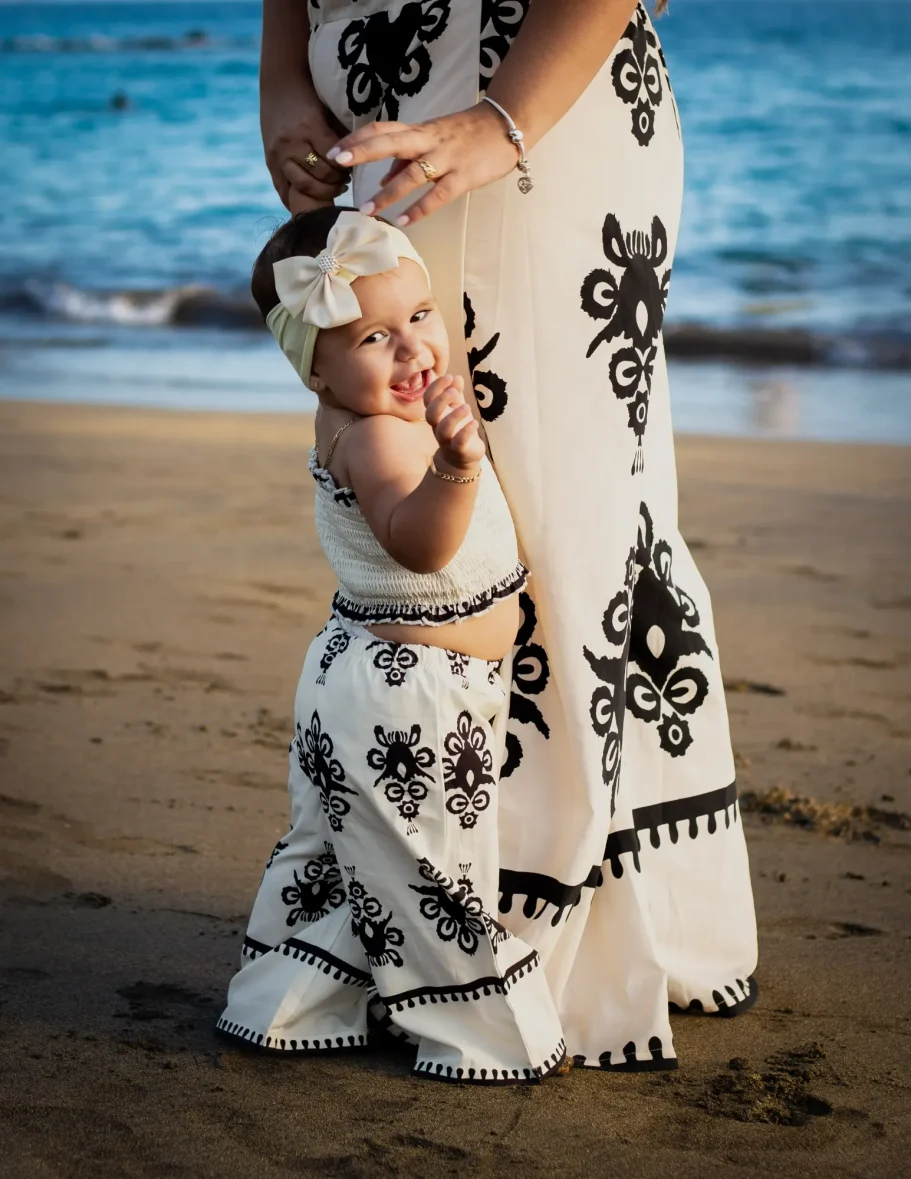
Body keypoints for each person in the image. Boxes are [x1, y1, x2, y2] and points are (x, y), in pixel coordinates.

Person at [253, 0, 758, 1071]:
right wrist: (282, 69)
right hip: (372, 108)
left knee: (559, 511)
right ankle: (418, 928)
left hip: (536, 100)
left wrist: (506, 116)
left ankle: (530, 941)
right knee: (412, 459)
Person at [218, 208, 568, 1084]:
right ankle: (486, 1035)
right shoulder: (374, 435)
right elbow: (418, 542)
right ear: (316, 369)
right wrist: (457, 464)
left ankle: (292, 1006)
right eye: (375, 336)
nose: (414, 350)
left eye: (418, 316)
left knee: (350, 857)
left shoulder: (375, 410)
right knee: (427, 876)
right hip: (403, 695)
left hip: (393, 683)